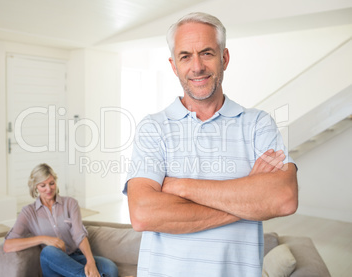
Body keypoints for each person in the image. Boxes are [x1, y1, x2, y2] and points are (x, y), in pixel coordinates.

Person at [124, 12, 298, 276]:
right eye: (185, 56)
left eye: (206, 53)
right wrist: (248, 202)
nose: (197, 67)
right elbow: (143, 215)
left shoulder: (258, 124)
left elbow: (284, 199)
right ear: (174, 66)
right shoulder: (153, 127)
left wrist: (179, 186)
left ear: (224, 58)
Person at [4, 163, 118, 277]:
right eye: (43, 185)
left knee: (110, 267)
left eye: (51, 183)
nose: (48, 189)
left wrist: (90, 261)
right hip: (53, 263)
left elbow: (79, 235)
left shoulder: (70, 203)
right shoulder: (28, 212)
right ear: (35, 187)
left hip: (75, 257)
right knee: (48, 251)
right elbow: (8, 245)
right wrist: (43, 239)